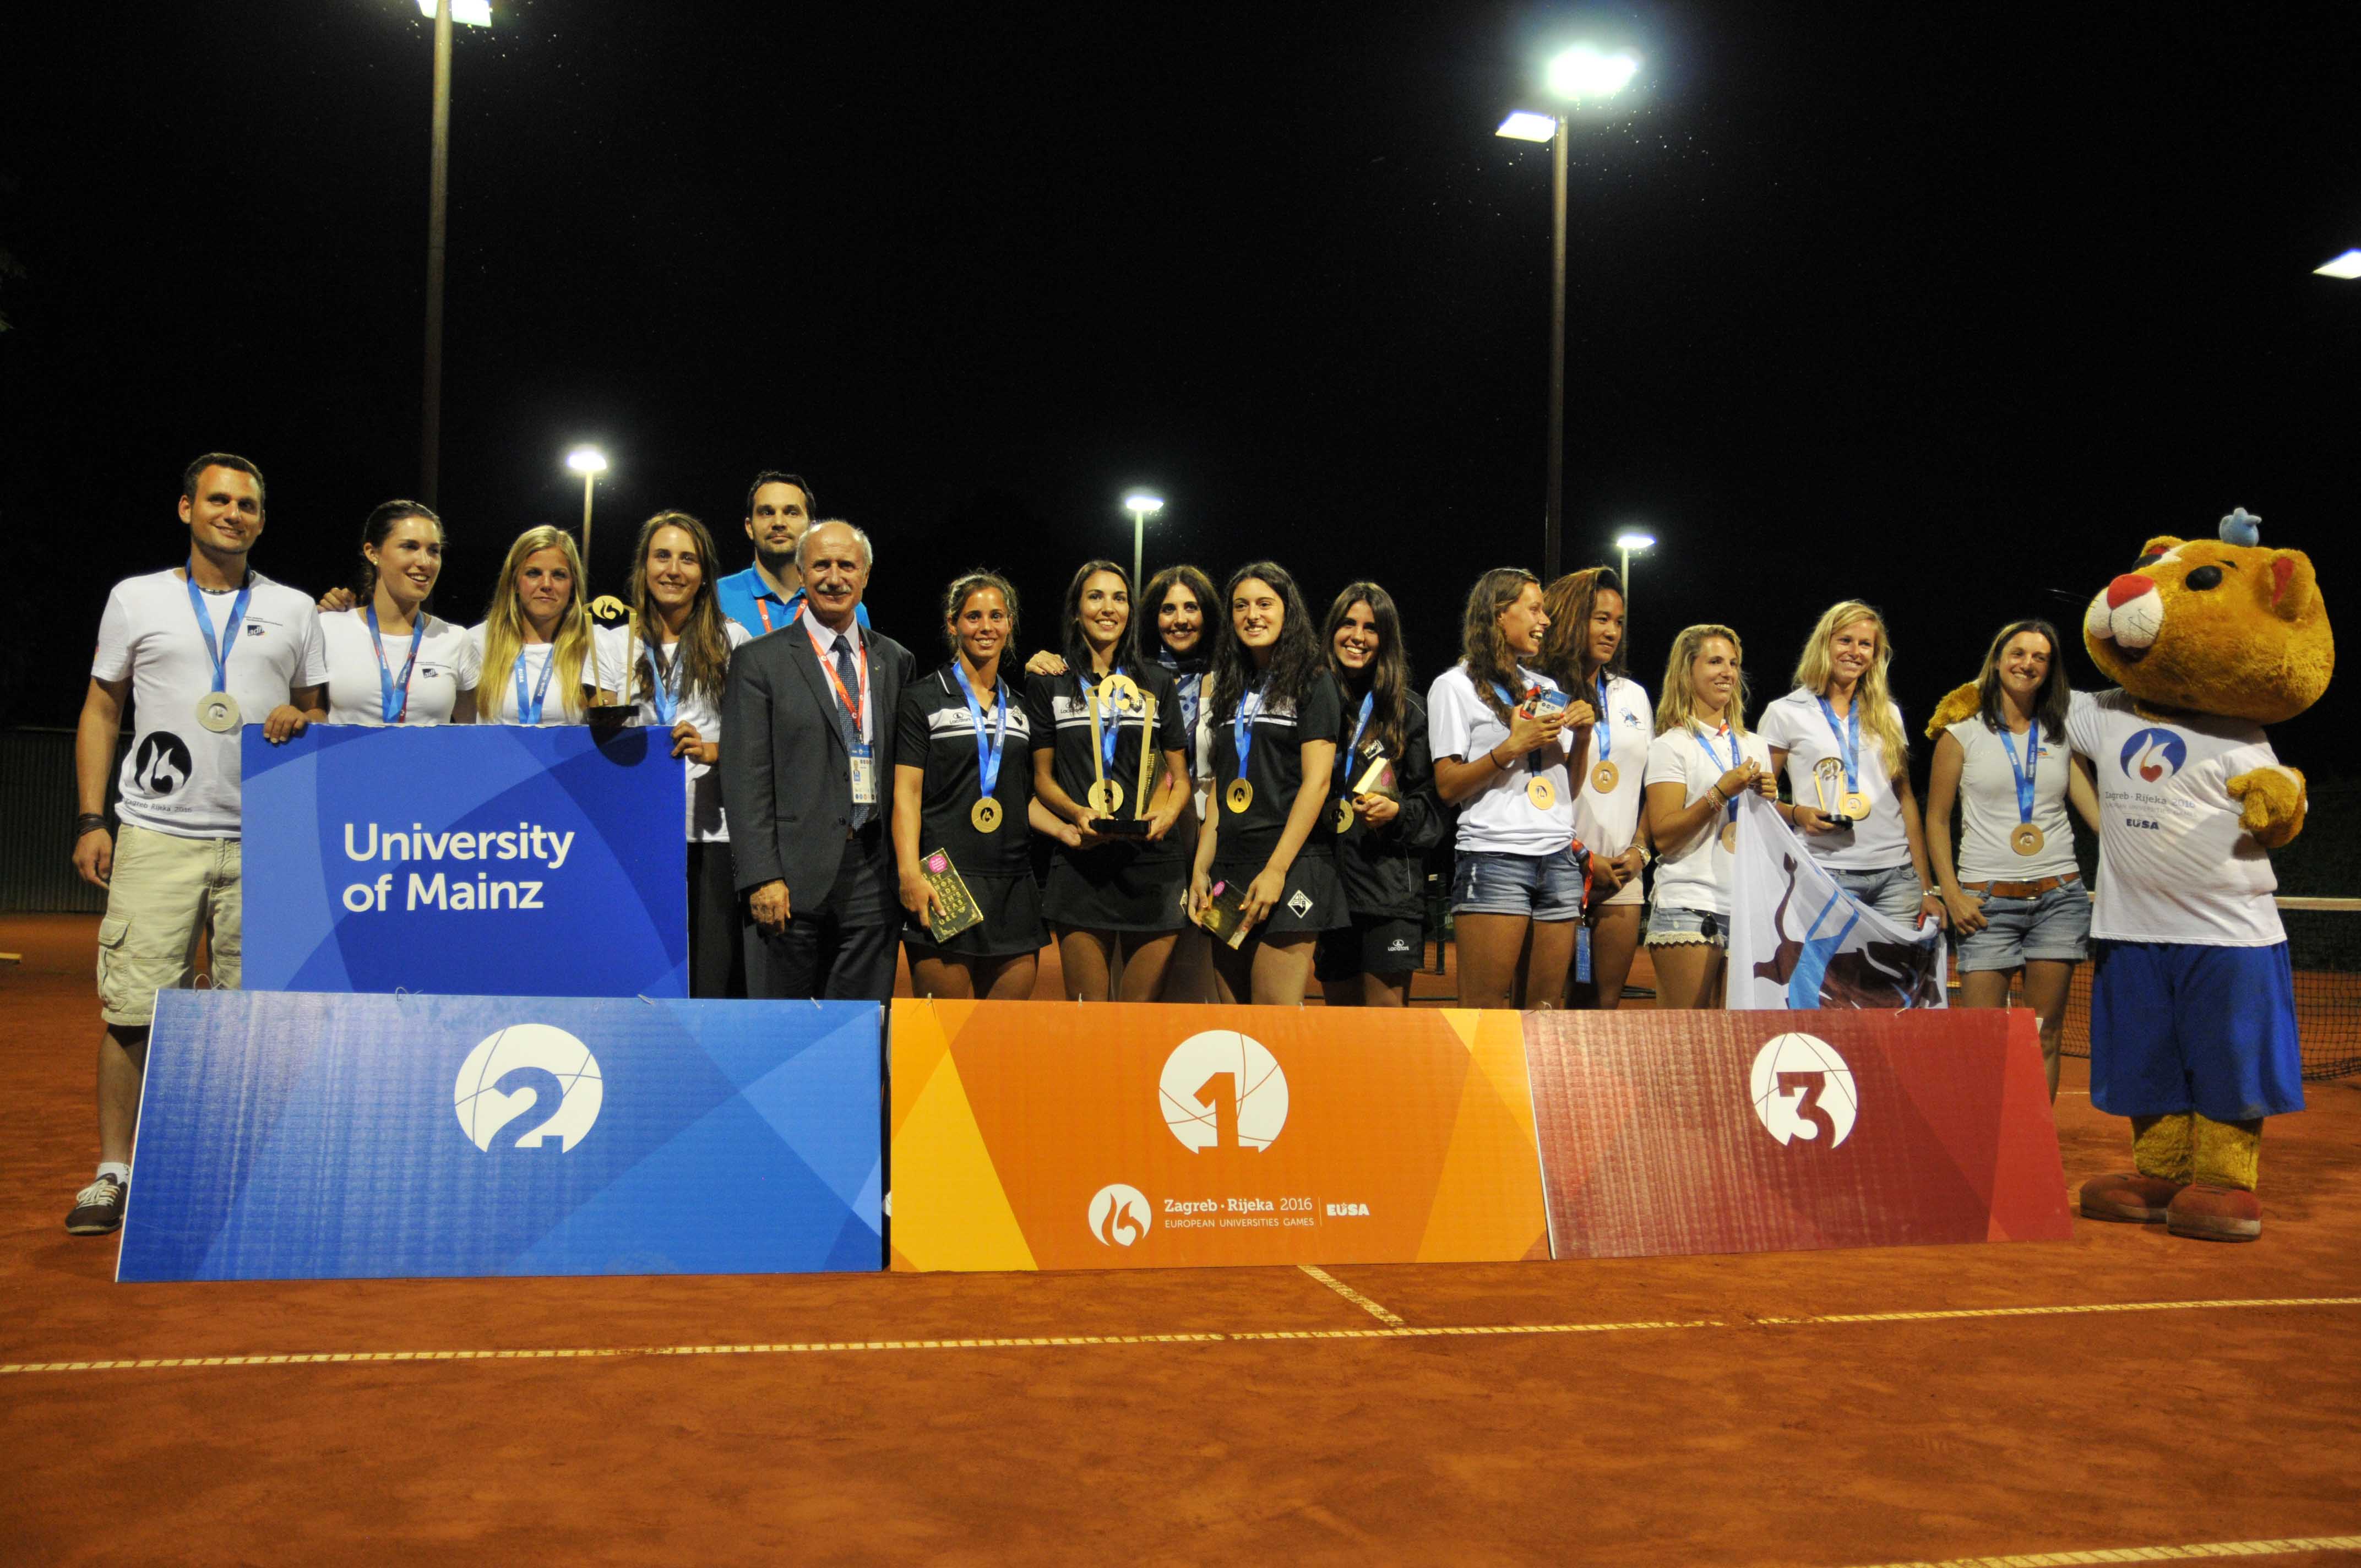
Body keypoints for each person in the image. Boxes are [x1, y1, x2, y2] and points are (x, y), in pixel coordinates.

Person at [64, 453, 328, 1235]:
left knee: (258, 1020)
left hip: (265, 838)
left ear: (261, 519)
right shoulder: (135, 598)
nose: (233, 514)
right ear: (186, 509)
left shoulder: (294, 607)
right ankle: (115, 1172)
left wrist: (302, 719)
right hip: (157, 833)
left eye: (247, 504)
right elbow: (102, 708)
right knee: (134, 1013)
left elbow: (316, 712)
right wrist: (90, 818)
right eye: (218, 500)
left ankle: (243, 1172)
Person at [721, 520, 917, 1000]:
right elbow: (746, 779)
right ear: (803, 573)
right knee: (782, 1036)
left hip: (873, 872)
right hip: (789, 876)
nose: (835, 577)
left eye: (847, 565)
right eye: (822, 565)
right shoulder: (759, 661)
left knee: (860, 1028)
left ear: (865, 575)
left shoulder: (896, 660)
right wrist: (762, 876)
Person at [1925, 619, 2097, 1098]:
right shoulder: (1960, 735)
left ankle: (2033, 1161)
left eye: (2040, 657)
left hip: (2058, 902)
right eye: (2018, 654)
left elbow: (2099, 818)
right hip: (1985, 907)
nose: (2028, 664)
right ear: (1998, 661)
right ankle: (1985, 1157)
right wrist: (1952, 895)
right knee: (1982, 1042)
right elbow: (1936, 820)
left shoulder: (2065, 734)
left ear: (2050, 669)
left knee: (2045, 1033)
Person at [1023, 561, 1192, 1001]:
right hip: (1081, 862)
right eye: (1095, 597)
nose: (1108, 608)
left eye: (1119, 598)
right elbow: (1042, 779)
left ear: (1131, 612)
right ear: (1076, 609)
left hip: (1152, 862)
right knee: (1088, 1021)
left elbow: (1180, 777)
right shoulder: (1049, 683)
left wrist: (1167, 815)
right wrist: (1077, 813)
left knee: (1139, 1021)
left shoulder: (1157, 680)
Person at [603, 510, 753, 999]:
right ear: (643, 567)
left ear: (705, 573)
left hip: (712, 831)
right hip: (636, 831)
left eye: (688, 559)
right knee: (644, 973)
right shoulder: (614, 641)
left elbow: (756, 740)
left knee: (709, 978)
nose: (674, 569)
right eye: (662, 556)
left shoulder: (733, 641)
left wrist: (715, 750)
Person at [1427, 567, 1592, 1010]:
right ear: (1500, 614)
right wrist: (1511, 746)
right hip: (1495, 857)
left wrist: (1586, 736)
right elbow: (1447, 787)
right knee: (1484, 1015)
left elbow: (1568, 790)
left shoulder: (1549, 689)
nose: (1546, 620)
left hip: (1558, 859)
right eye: (1535, 609)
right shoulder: (1453, 687)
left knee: (1545, 1014)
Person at [1189, 561, 1347, 1005]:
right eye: (1241, 606)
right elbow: (1223, 786)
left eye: (1265, 604)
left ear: (1287, 611)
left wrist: (1277, 871)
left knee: (1273, 1029)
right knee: (1234, 1026)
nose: (1252, 615)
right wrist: (1202, 866)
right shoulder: (1230, 688)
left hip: (1289, 865)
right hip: (1230, 867)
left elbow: (1317, 783)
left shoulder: (1314, 682)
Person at [895, 571, 1054, 999]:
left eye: (997, 617)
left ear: (1010, 624)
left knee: (1002, 1046)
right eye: (974, 617)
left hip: (1014, 888)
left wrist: (1068, 828)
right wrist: (909, 872)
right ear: (953, 624)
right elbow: (906, 795)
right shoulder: (922, 699)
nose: (986, 627)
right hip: (945, 881)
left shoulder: (1020, 708)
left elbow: (1025, 799)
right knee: (943, 1046)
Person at [1760, 600, 1940, 930]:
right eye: (1845, 640)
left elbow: (1905, 799)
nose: (1854, 651)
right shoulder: (1785, 712)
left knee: (1889, 982)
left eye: (1865, 644)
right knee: (1829, 982)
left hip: (1896, 877)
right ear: (1825, 644)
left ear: (1875, 654)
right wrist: (1800, 815)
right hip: (1825, 871)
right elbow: (1760, 800)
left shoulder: (1888, 713)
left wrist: (1925, 886)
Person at [1315, 582, 1444, 1007]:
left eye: (1371, 628)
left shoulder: (1410, 711)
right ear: (1331, 630)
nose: (1357, 636)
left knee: (1386, 1027)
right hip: (1326, 887)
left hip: (1389, 891)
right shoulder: (1310, 704)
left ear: (1386, 639)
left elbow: (1435, 807)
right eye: (1348, 623)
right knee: (1339, 1026)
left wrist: (1397, 812)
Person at [1641, 625, 1778, 1009]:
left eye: (1733, 664)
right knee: (1685, 1042)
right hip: (1690, 903)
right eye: (1715, 661)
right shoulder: (1670, 746)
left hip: (1747, 906)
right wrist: (1719, 793)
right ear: (1687, 671)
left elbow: (1765, 835)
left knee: (1735, 1044)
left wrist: (1772, 802)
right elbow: (1665, 837)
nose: (1728, 672)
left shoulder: (1755, 746)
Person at [1540, 567, 1650, 1008]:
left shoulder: (1633, 695)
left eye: (1619, 622)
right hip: (1558, 865)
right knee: (1546, 1007)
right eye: (1600, 618)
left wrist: (1640, 850)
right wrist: (1583, 855)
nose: (1612, 632)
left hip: (1622, 874)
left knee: (1604, 1011)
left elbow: (1652, 785)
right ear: (1570, 619)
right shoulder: (1542, 692)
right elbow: (1531, 789)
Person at [317, 500, 478, 726]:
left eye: (434, 550)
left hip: (427, 763)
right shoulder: (329, 628)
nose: (424, 562)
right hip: (347, 761)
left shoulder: (455, 639)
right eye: (410, 547)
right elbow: (309, 714)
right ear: (373, 553)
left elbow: (471, 732)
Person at [469, 526, 611, 725]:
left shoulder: (594, 643)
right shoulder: (477, 642)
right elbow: (463, 722)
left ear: (573, 586)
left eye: (559, 575)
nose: (546, 584)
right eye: (534, 573)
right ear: (514, 583)